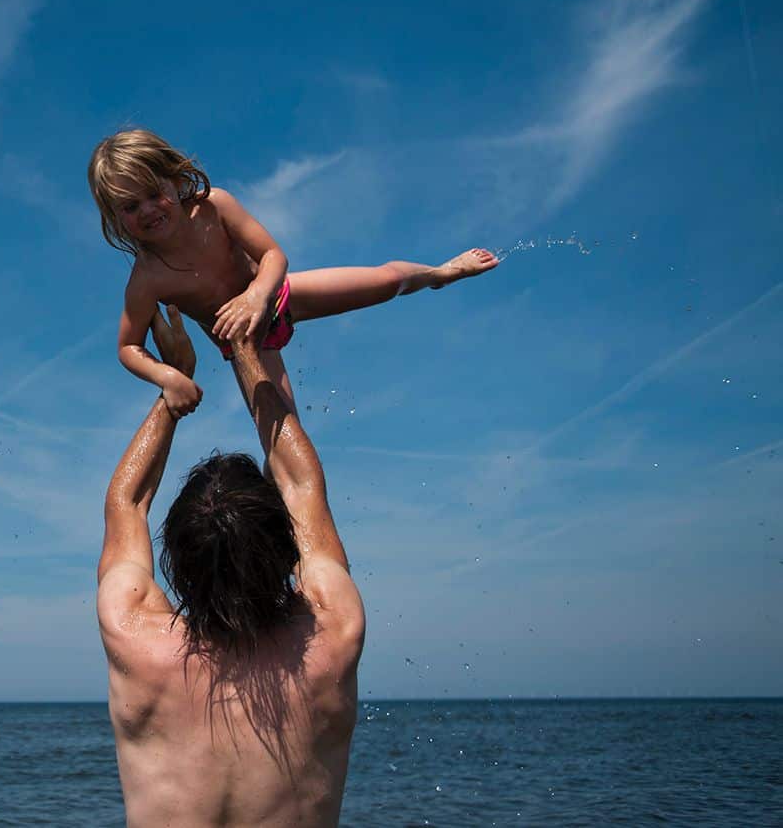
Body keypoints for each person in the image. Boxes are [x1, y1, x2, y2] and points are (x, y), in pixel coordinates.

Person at [97, 303, 362, 826]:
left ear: (176, 557)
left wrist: (174, 391)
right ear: (287, 547)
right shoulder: (334, 632)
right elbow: (301, 485)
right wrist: (239, 348)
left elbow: (127, 503)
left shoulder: (133, 638)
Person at [89, 128, 498, 417]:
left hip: (277, 297)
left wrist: (257, 295)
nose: (146, 210)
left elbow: (272, 255)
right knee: (284, 434)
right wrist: (166, 377)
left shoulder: (215, 207)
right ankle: (281, 508)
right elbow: (128, 347)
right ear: (115, 217)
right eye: (129, 206)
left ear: (175, 181)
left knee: (388, 279)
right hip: (245, 343)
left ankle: (438, 273)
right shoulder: (147, 277)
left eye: (152, 193)